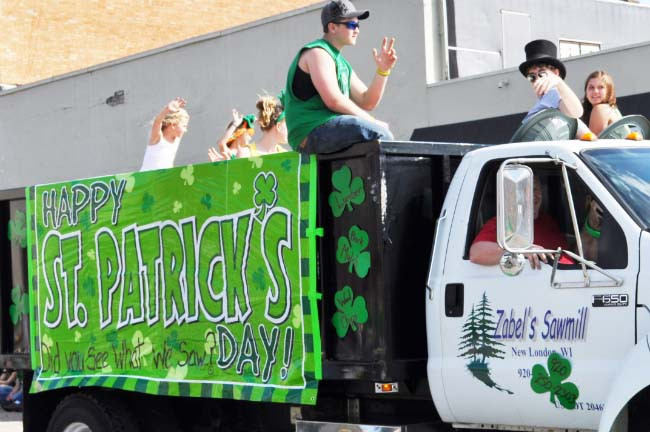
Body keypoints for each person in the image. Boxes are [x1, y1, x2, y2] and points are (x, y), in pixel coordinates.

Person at [283, 0, 397, 154]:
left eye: (358, 25)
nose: (357, 30)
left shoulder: (341, 63)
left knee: (378, 135)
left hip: (327, 129)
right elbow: (333, 100)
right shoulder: (318, 53)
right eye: (351, 25)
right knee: (381, 134)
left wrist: (383, 71)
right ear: (332, 27)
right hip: (310, 131)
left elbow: (367, 101)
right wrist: (372, 121)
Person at [470, 175, 569, 270]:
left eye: (535, 189)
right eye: (523, 190)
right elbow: (476, 253)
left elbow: (563, 253)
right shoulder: (505, 222)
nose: (531, 195)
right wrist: (520, 250)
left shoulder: (548, 220)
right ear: (513, 195)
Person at [519, 40, 583, 124]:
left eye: (542, 73)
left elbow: (576, 112)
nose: (537, 79)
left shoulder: (553, 93)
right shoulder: (545, 99)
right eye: (532, 77)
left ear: (555, 73)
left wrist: (558, 82)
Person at [141, 97, 189, 171]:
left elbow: (183, 117)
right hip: (147, 176)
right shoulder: (157, 138)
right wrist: (167, 110)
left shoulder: (177, 139)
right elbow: (157, 123)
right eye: (184, 126)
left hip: (164, 176)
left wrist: (180, 110)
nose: (185, 130)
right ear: (173, 125)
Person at [581, 70, 622, 135]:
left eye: (600, 87)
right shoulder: (612, 109)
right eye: (591, 87)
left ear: (608, 92)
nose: (595, 91)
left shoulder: (601, 109)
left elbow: (593, 140)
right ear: (586, 92)